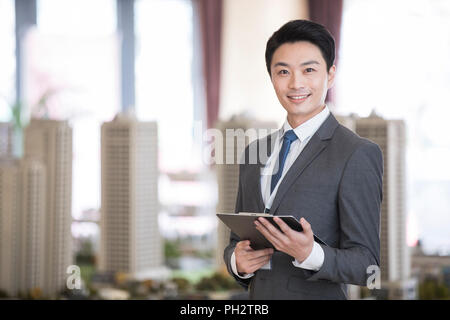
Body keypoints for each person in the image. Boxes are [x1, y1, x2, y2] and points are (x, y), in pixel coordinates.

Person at [223, 19, 383, 300]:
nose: (296, 83)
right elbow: (237, 242)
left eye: (309, 70)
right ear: (272, 77)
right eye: (283, 71)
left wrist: (311, 254)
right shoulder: (253, 153)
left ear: (330, 75)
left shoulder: (356, 153)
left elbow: (367, 266)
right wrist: (238, 263)